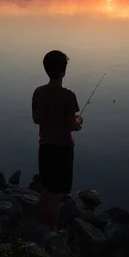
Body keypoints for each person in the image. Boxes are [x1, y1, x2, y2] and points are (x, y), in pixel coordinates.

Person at [32, 50, 83, 230]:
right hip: (62, 150)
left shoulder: (38, 92)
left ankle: (40, 226)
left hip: (44, 147)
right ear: (64, 71)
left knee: (46, 189)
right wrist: (79, 121)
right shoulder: (68, 96)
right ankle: (50, 233)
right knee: (57, 193)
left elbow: (36, 118)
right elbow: (71, 125)